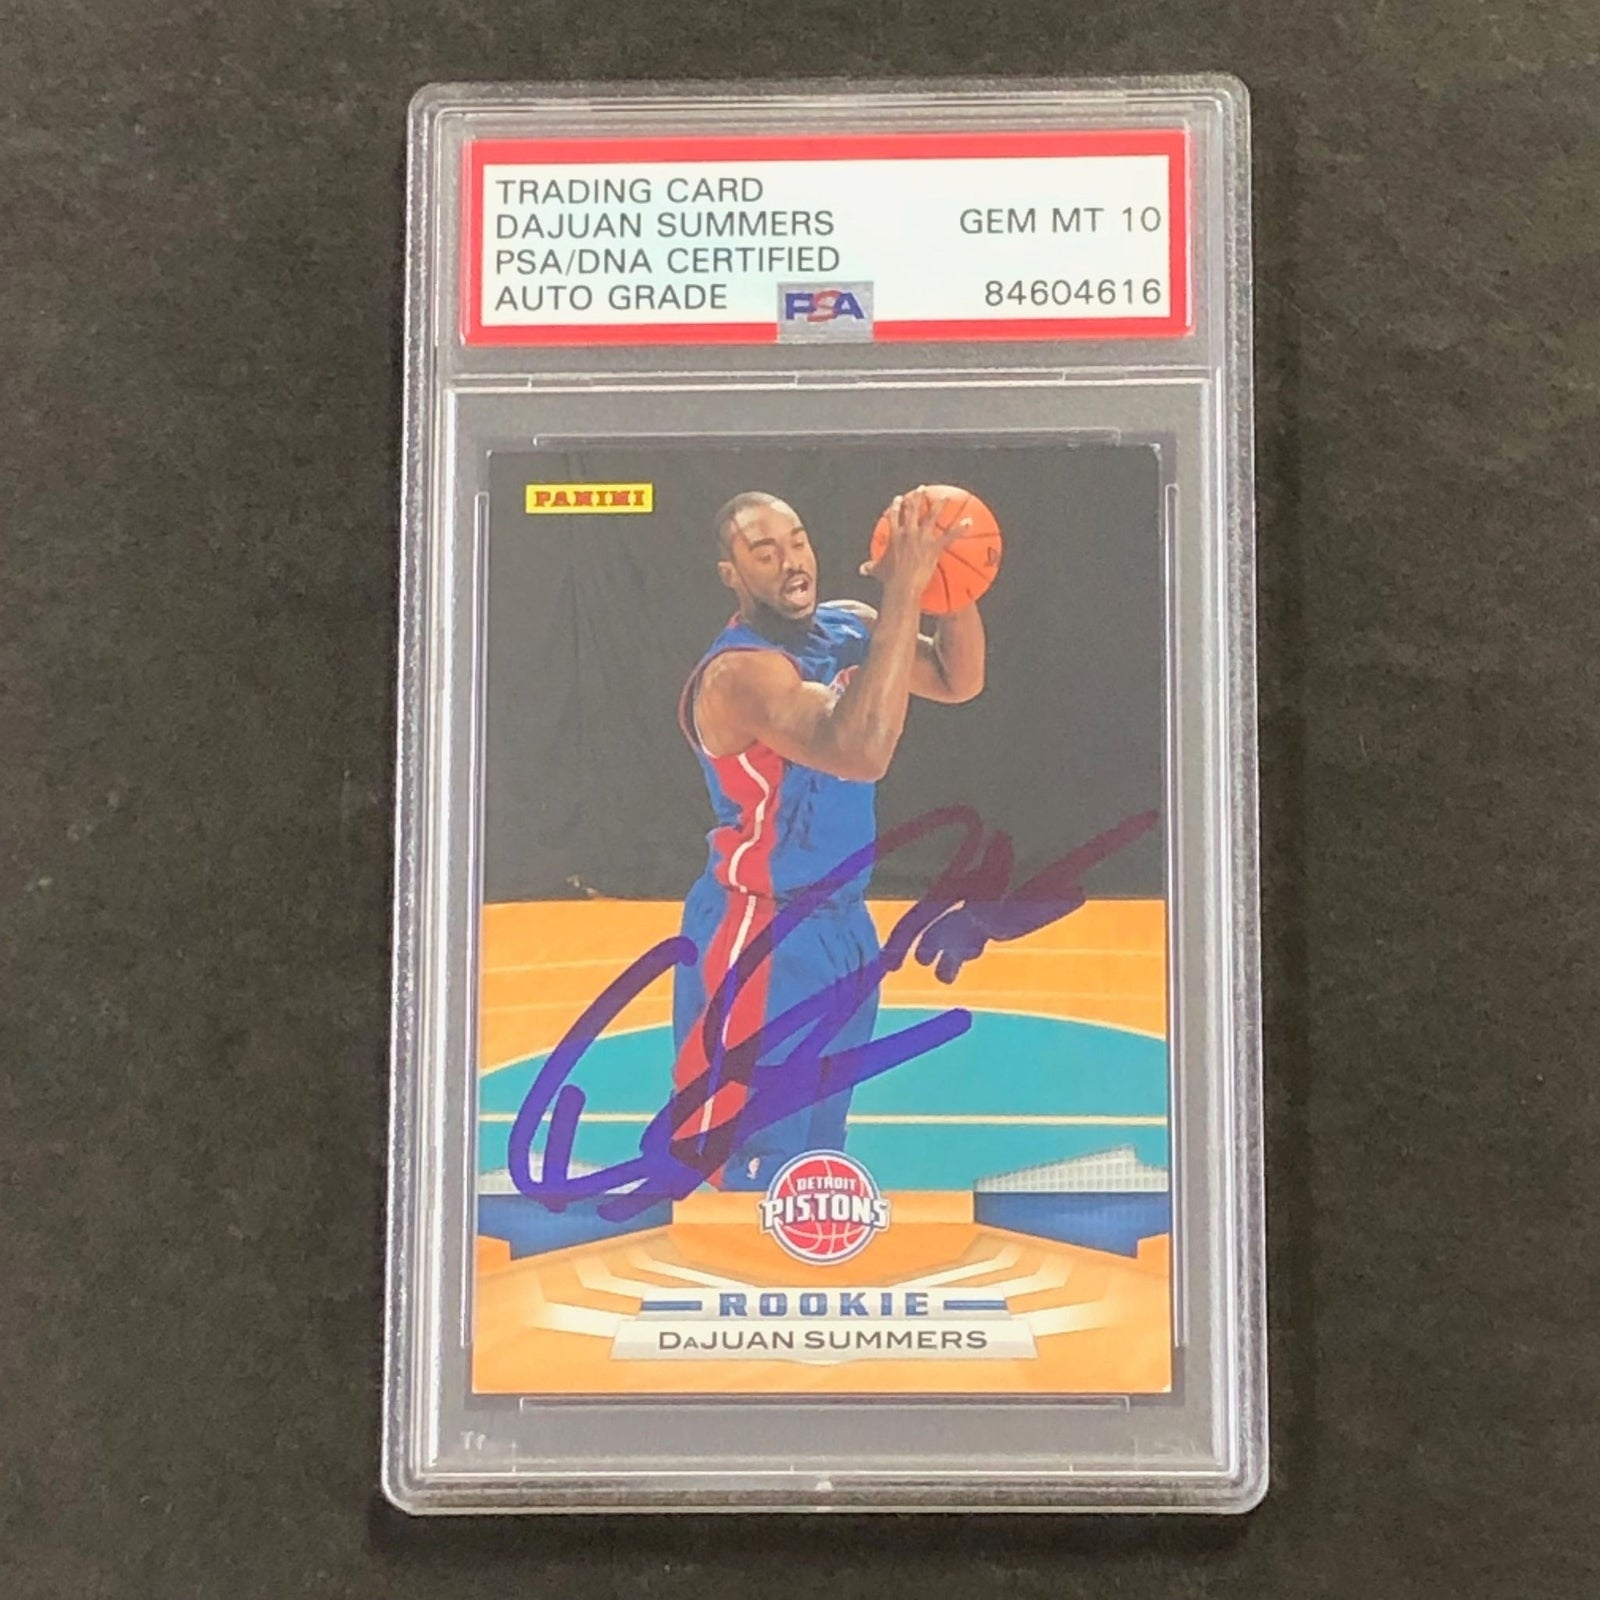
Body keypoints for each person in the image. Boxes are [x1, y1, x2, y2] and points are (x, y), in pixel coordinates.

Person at [672, 487, 987, 1189]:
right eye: (764, 552)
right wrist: (904, 592)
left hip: (843, 926)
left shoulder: (851, 625)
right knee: (748, 1165)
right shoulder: (739, 674)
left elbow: (958, 677)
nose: (791, 562)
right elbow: (860, 750)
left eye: (798, 541)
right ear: (731, 574)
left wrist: (951, 581)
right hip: (762, 932)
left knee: (816, 1158)